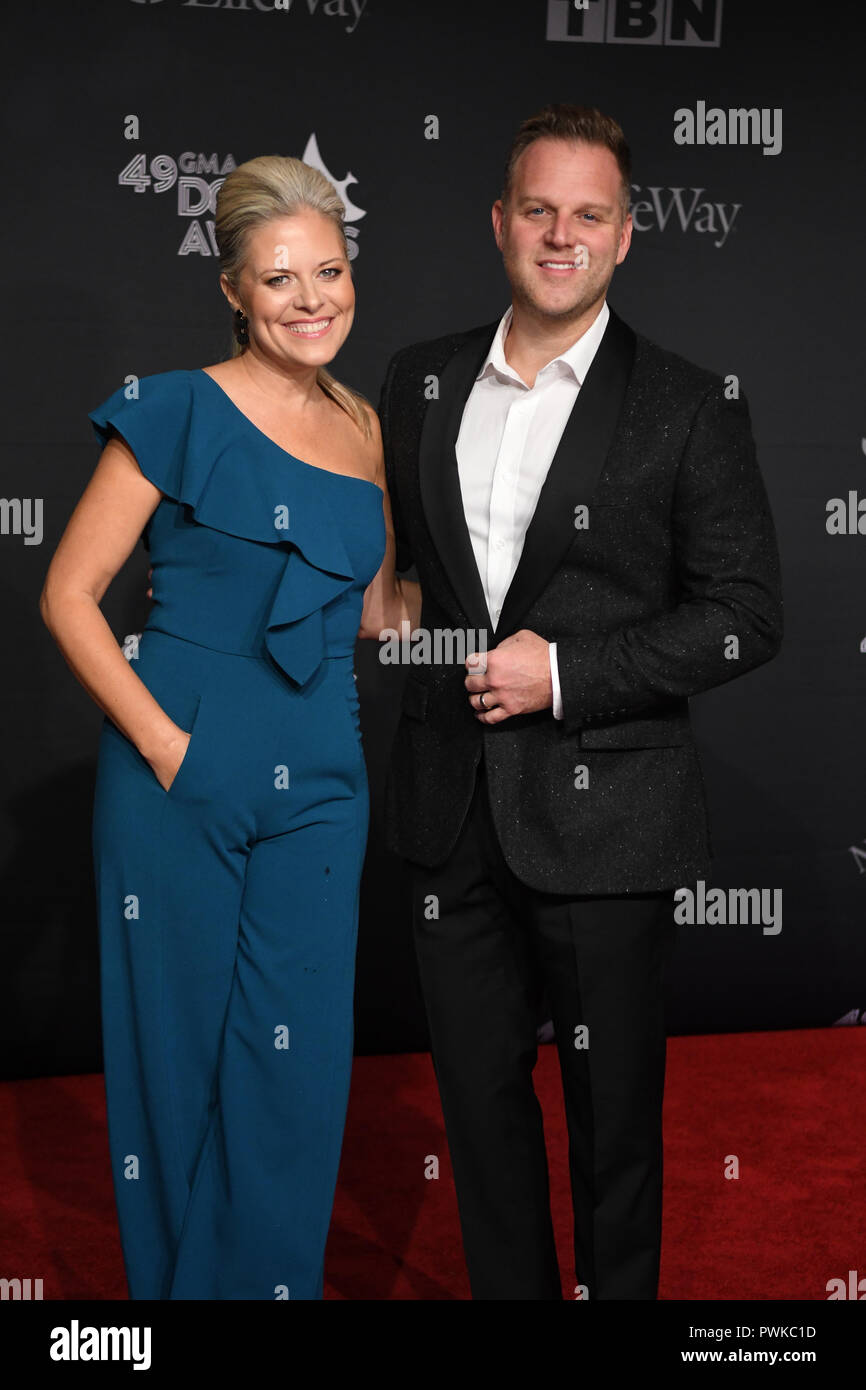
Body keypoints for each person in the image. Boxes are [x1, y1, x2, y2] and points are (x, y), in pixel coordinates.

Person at [379, 105, 783, 1300]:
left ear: (624, 235)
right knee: (482, 1126)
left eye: (588, 214)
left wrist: (561, 673)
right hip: (447, 814)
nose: (561, 234)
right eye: (538, 210)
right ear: (500, 223)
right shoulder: (419, 379)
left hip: (608, 824)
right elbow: (404, 578)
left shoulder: (686, 401)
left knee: (613, 1134)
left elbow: (744, 613)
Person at [39, 156, 417, 1300]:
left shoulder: (364, 425)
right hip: (180, 770)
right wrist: (169, 749)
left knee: (293, 1078)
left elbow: (375, 614)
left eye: (330, 271)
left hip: (326, 777)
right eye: (279, 279)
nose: (311, 300)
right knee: (179, 1067)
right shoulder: (175, 405)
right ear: (236, 292)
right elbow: (67, 593)